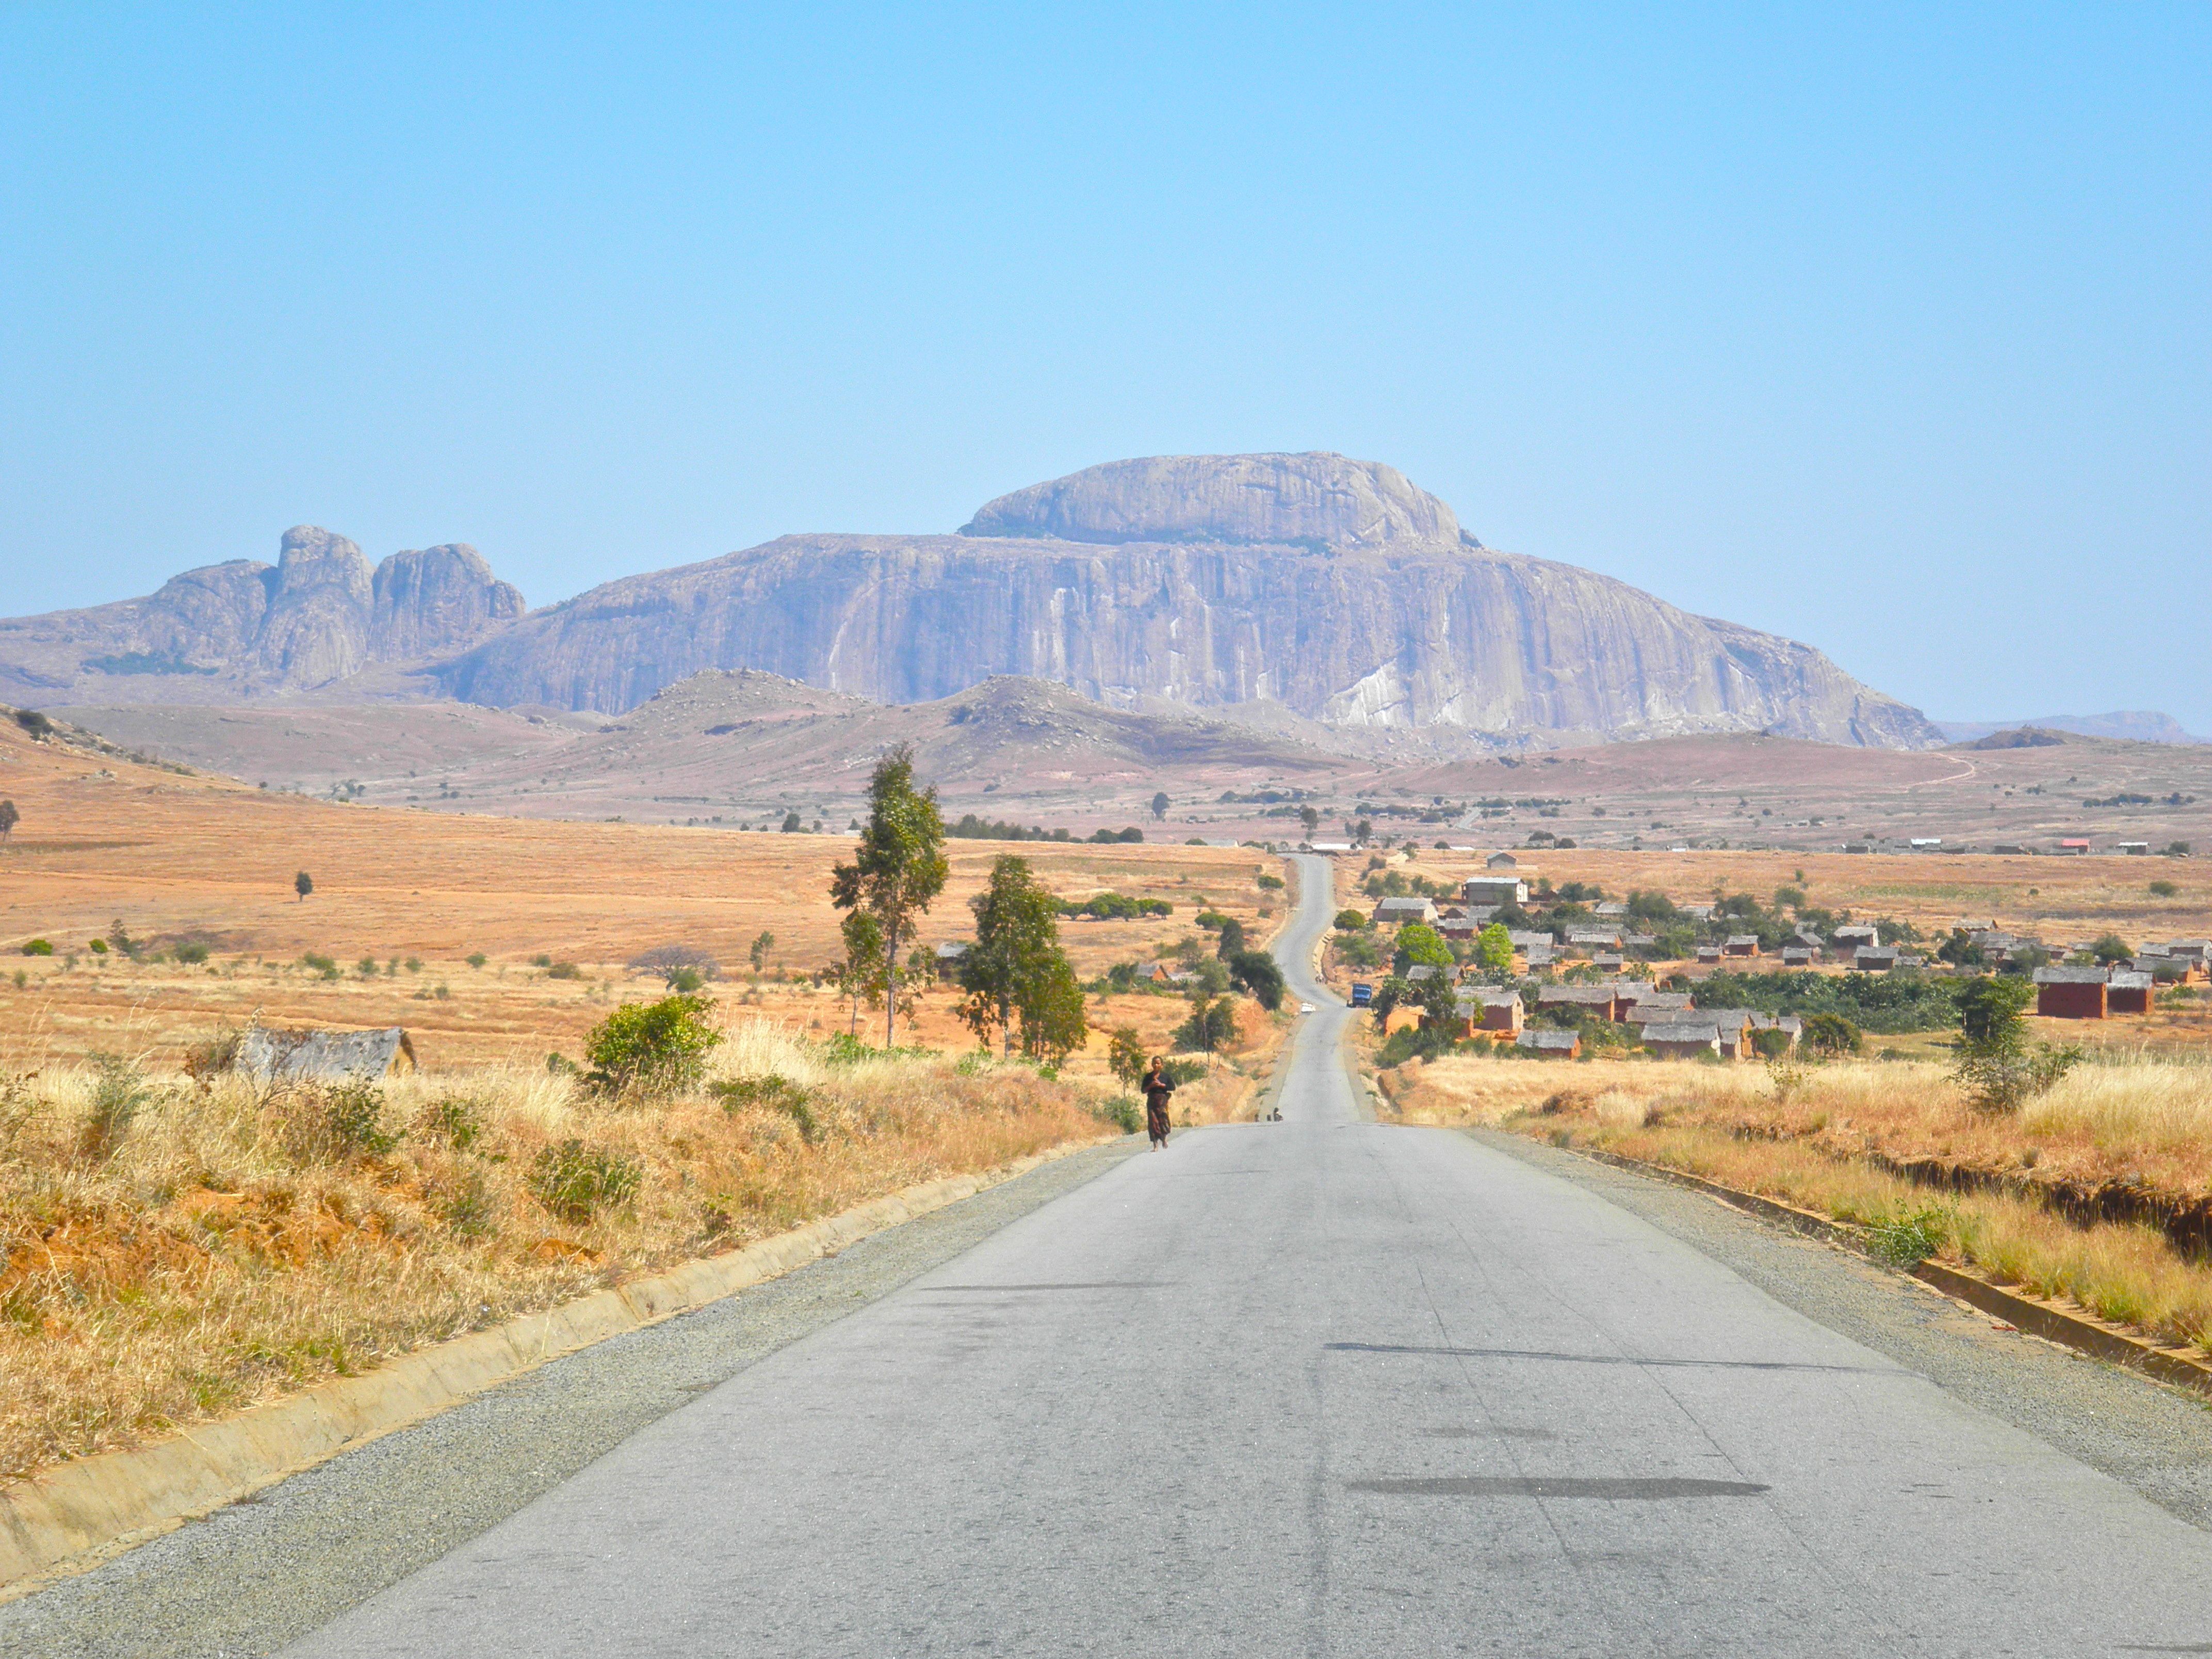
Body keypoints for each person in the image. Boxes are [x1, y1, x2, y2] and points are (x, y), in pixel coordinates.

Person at [1141, 1056, 1175, 1150]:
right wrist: (1151, 1086)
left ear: (1162, 1065)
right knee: (1153, 1122)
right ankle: (1155, 1145)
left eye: (1158, 1063)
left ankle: (1164, 1139)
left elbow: (1172, 1087)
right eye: (1154, 1063)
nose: (1156, 1065)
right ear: (1152, 1065)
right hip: (1152, 1101)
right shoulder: (1148, 1077)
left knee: (1163, 1120)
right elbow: (1143, 1090)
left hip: (1162, 1101)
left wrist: (1162, 1085)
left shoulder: (1166, 1076)